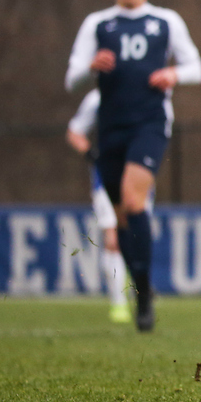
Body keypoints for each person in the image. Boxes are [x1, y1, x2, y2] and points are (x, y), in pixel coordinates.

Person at [66, 0, 201, 331]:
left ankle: (142, 295)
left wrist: (173, 74)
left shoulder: (165, 21)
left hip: (150, 124)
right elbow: (71, 78)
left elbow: (197, 68)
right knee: (122, 217)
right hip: (111, 128)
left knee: (132, 199)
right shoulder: (98, 24)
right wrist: (90, 67)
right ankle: (142, 285)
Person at [66, 89, 150, 324]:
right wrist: (91, 154)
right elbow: (74, 132)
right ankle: (119, 303)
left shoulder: (146, 95)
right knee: (113, 239)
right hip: (107, 178)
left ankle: (142, 294)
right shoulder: (97, 98)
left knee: (135, 235)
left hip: (137, 177)